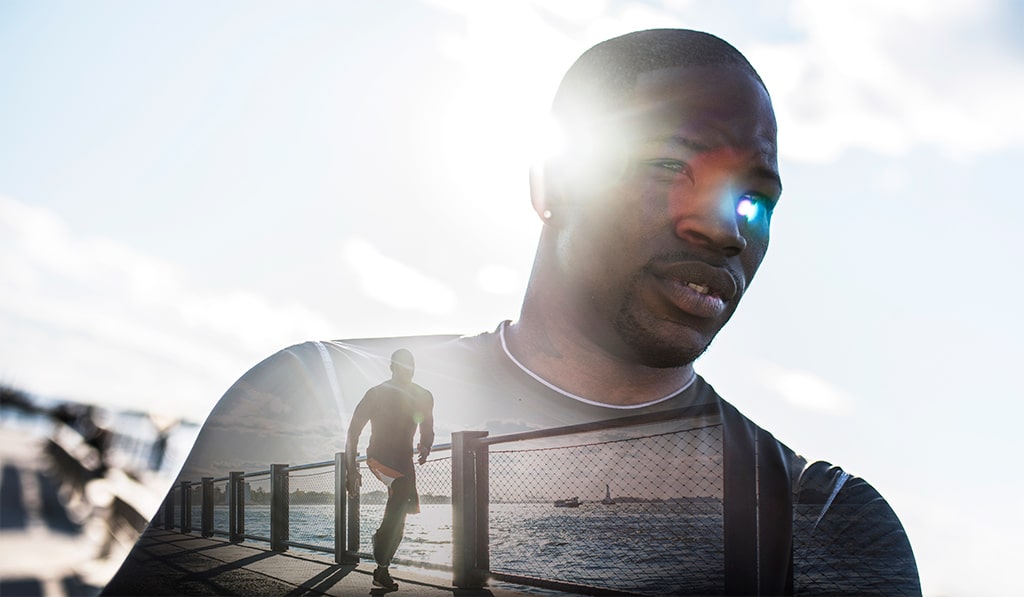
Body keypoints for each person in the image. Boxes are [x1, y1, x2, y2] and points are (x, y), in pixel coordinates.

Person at [104, 29, 920, 595]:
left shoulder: (821, 529)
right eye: (667, 162)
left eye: (756, 197)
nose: (720, 226)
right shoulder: (308, 401)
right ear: (551, 181)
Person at [345, 349, 434, 590]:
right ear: (392, 367)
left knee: (401, 516)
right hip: (379, 458)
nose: (408, 369)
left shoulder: (423, 395)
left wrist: (425, 446)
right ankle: (380, 542)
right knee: (402, 490)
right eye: (403, 365)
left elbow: (427, 426)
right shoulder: (375, 394)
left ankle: (382, 570)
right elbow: (353, 433)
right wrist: (351, 470)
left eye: (412, 364)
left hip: (404, 462)